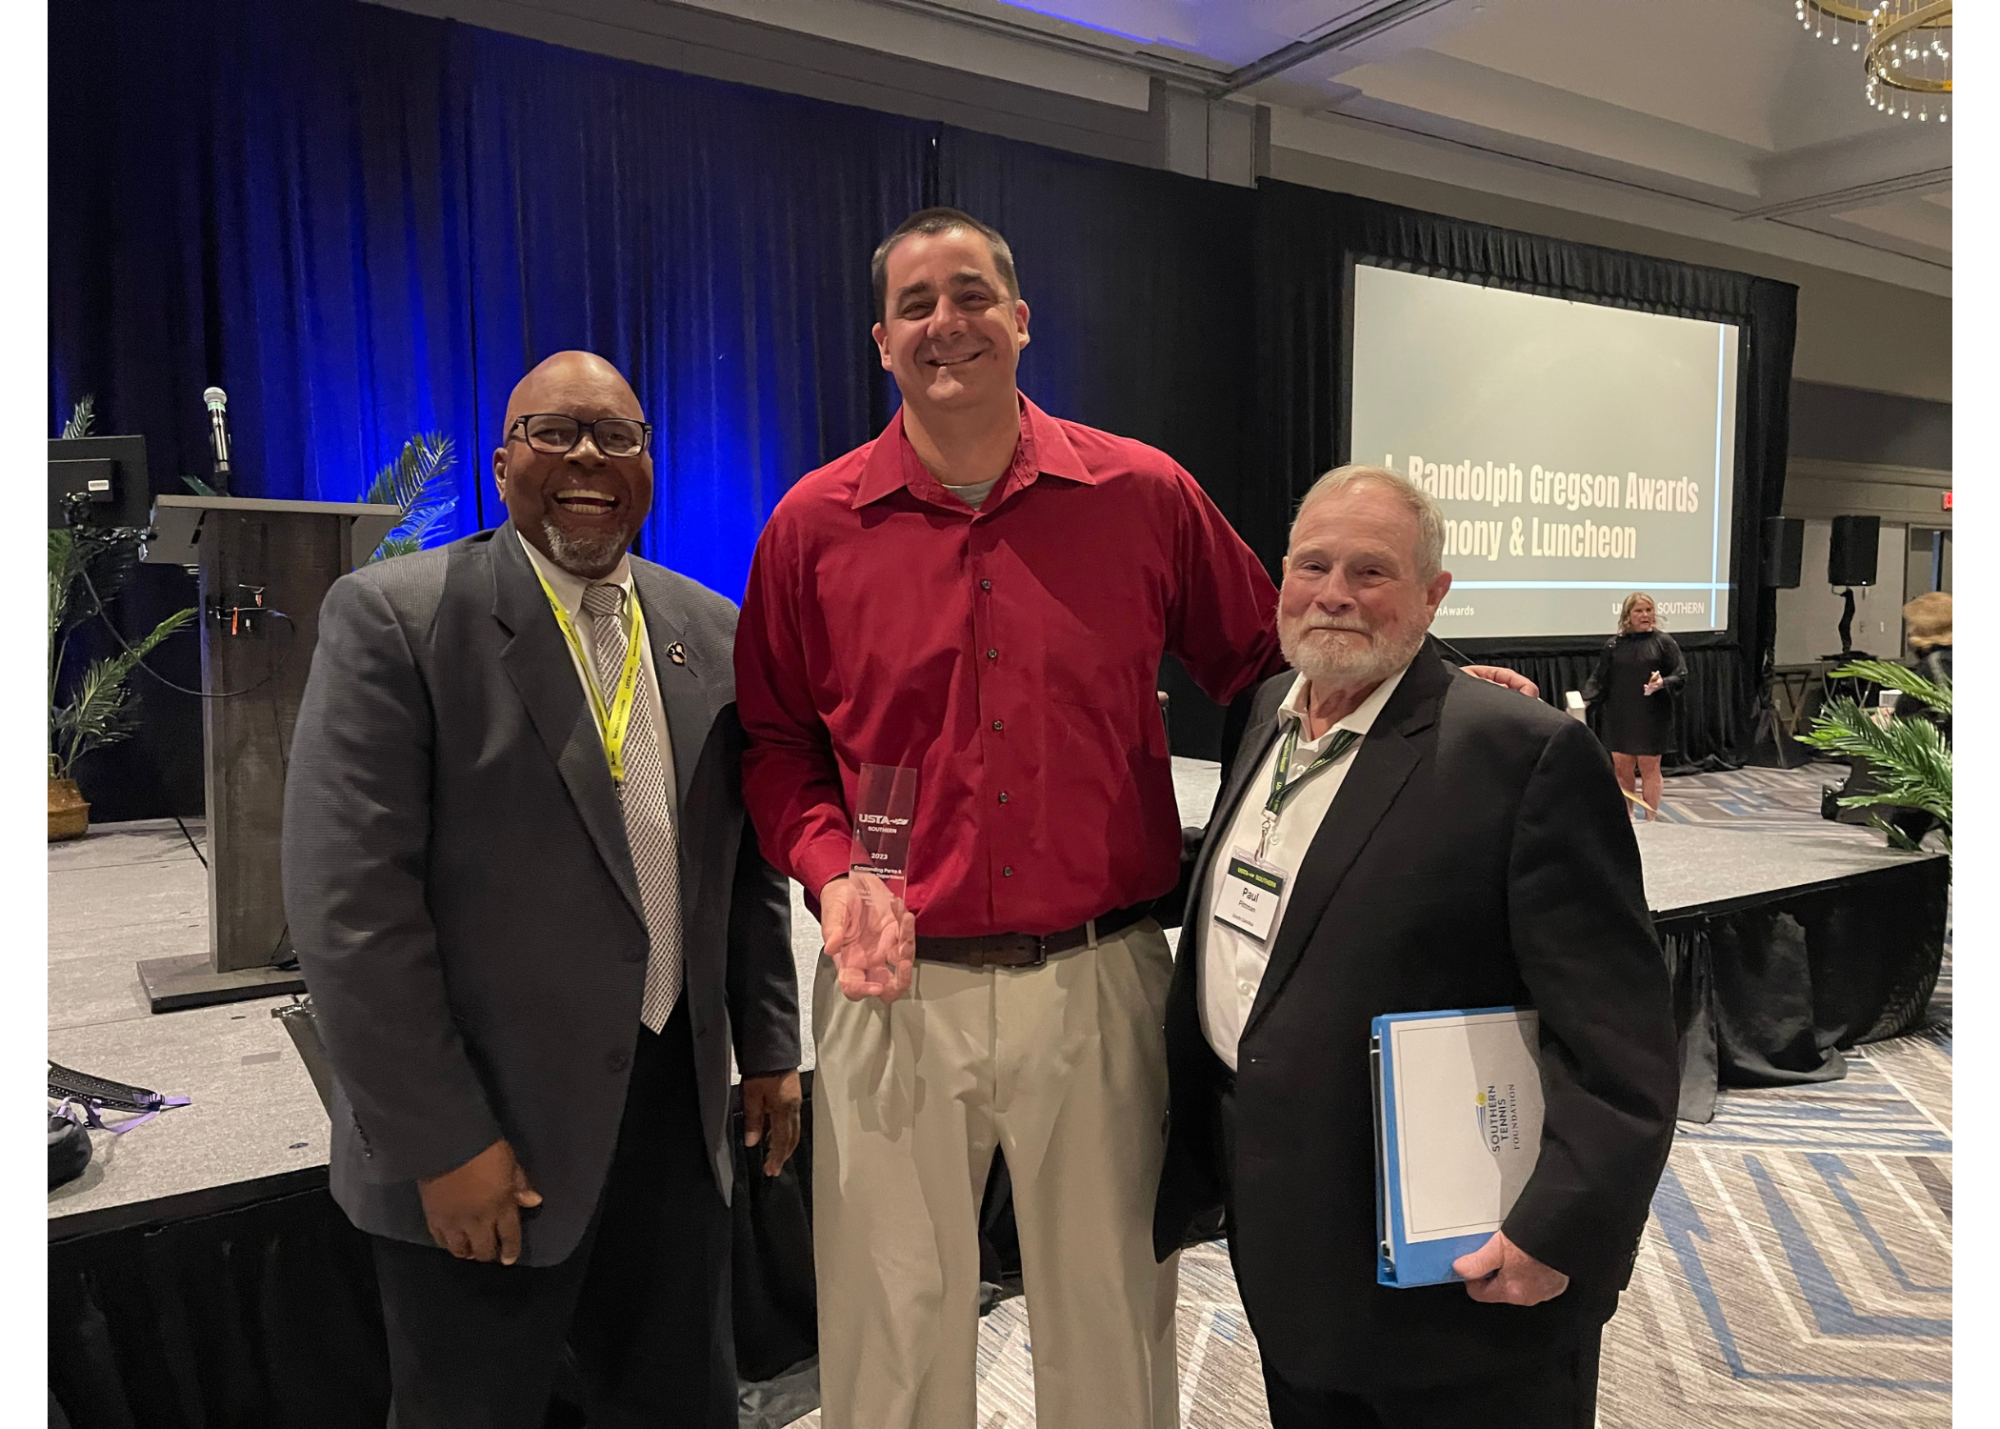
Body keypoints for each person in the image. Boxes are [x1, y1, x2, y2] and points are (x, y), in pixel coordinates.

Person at [734, 208, 1538, 1429]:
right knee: (886, 1327)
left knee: (1111, 1314)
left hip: (1098, 976)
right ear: (880, 342)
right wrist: (833, 867)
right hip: (888, 982)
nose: (945, 323)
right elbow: (778, 744)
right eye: (914, 305)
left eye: (970, 294)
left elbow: (1275, 658)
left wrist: (1442, 692)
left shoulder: (1141, 495)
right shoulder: (812, 525)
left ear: (1019, 320)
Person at [282, 351, 803, 1429]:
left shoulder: (712, 630)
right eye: (554, 431)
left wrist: (769, 1046)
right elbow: (352, 916)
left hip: (675, 1122)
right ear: (501, 461)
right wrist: (442, 1143)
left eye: (616, 436)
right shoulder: (396, 620)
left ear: (648, 461)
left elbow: (742, 866)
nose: (586, 458)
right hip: (490, 1136)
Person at [1153, 465, 1678, 1429]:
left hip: (1459, 1278)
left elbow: (1623, 1036)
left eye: (1373, 570)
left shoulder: (1519, 753)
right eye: (1313, 565)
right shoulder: (1264, 714)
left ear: (1434, 595)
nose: (1335, 593)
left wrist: (1560, 1228)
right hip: (1288, 1236)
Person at [1582, 591, 1685, 819]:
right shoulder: (1613, 645)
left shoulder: (1664, 643)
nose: (1645, 615)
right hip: (1619, 715)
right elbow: (1600, 678)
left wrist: (1663, 683)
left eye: (1649, 610)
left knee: (1650, 769)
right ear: (1628, 615)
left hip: (1652, 715)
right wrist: (1584, 700)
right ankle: (1627, 817)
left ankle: (1651, 818)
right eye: (1639, 611)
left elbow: (1681, 674)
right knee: (1621, 769)